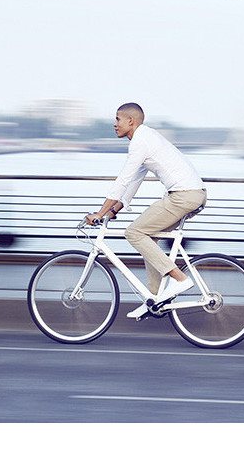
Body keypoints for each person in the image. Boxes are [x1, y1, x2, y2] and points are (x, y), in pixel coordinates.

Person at [85, 103, 207, 316]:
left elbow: (122, 180)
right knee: (148, 237)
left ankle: (180, 279)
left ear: (130, 121)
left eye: (118, 119)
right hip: (192, 194)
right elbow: (134, 180)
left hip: (183, 196)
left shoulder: (140, 141)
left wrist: (100, 213)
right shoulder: (145, 138)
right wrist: (114, 210)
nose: (114, 124)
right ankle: (155, 299)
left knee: (133, 232)